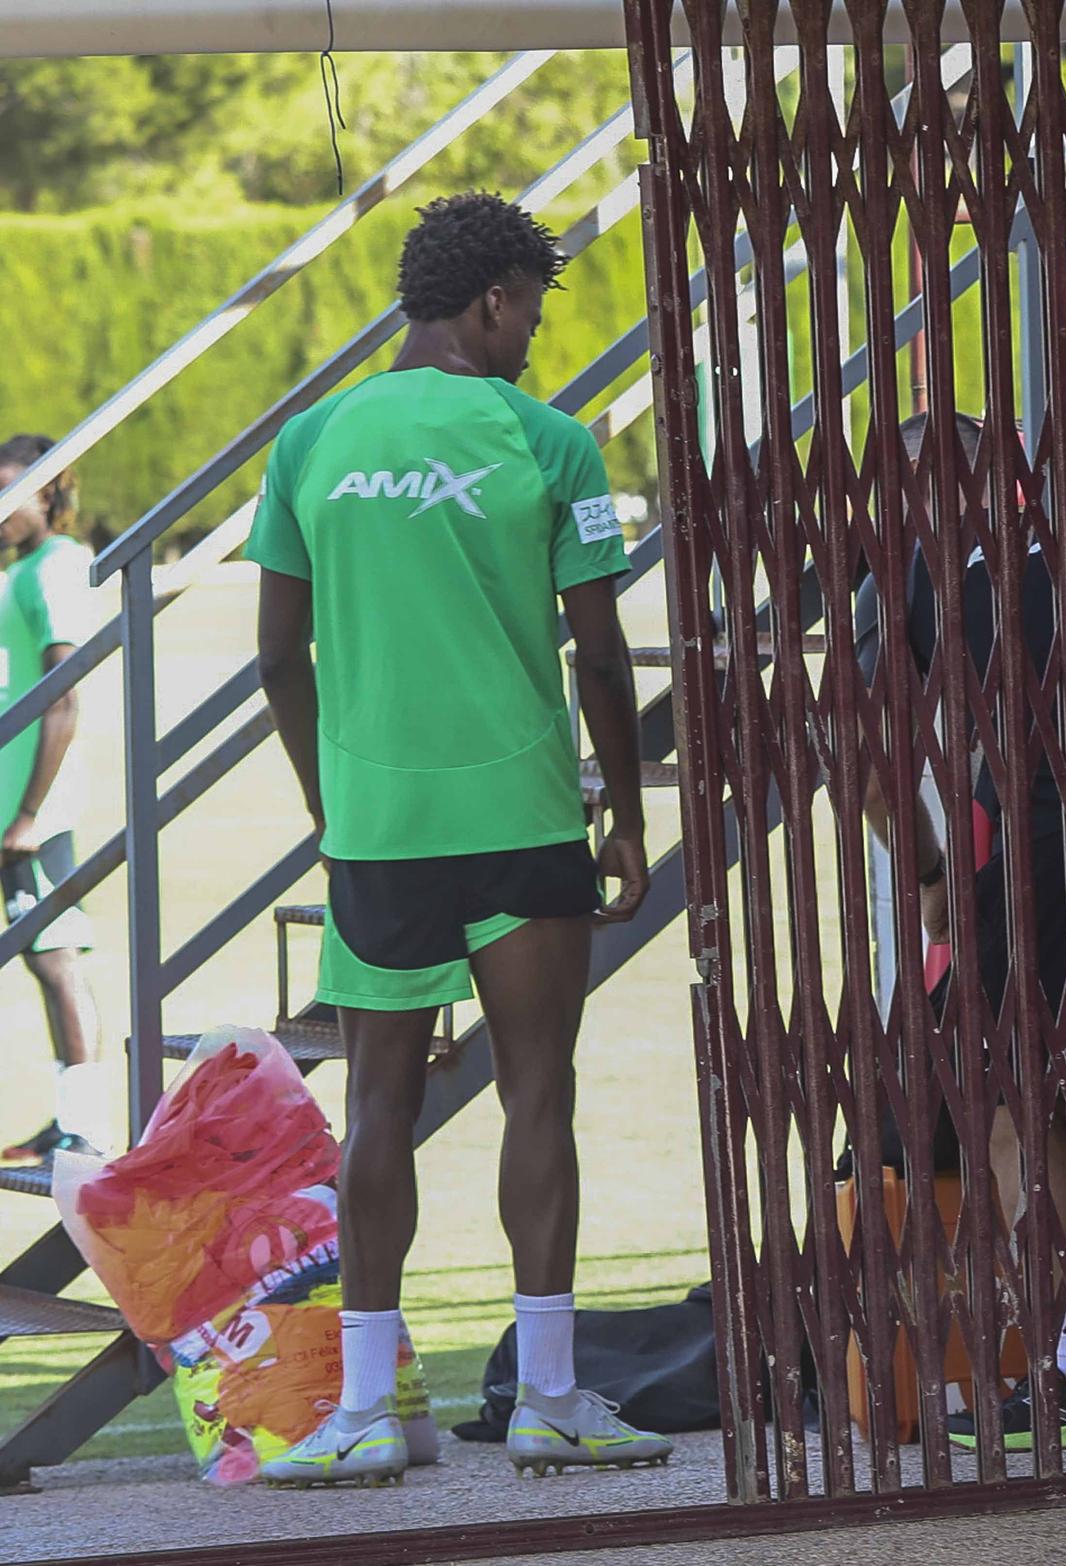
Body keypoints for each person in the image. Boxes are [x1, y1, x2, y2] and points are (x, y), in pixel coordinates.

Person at [250, 193, 670, 1487]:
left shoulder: (309, 439)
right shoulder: (554, 443)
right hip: (524, 817)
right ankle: (548, 1396)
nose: (540, 330)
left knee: (376, 1103)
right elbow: (600, 648)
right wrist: (629, 813)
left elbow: (280, 657)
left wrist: (340, 807)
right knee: (539, 1093)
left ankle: (368, 1408)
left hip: (381, 829)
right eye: (534, 304)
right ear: (492, 298)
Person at [853, 412, 1066, 1452]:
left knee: (1013, 1101)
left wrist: (925, 876)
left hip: (1037, 843)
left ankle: (1063, 1370)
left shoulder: (907, 575)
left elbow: (870, 762)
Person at [0, 436, 110, 1166]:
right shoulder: (19, 571)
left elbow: (62, 697)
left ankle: (89, 1126)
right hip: (10, 805)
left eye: (12, 491)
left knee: (56, 956)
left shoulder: (58, 566)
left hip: (33, 815)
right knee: (43, 958)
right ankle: (67, 1117)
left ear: (49, 494)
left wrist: (32, 814)